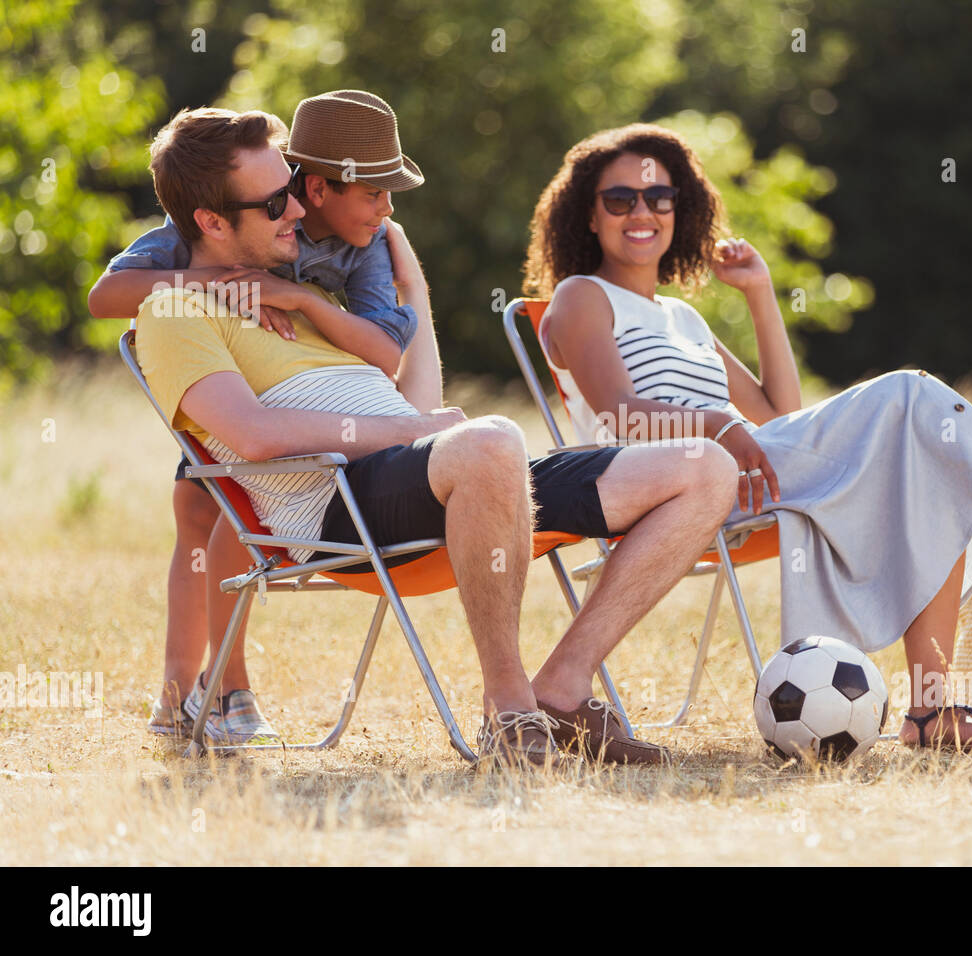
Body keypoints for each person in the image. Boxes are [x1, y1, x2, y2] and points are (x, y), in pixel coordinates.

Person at [523, 123, 972, 751]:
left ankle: (936, 708)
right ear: (588, 213)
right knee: (912, 397)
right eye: (619, 199)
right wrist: (717, 425)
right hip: (673, 486)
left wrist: (761, 297)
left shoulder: (683, 319)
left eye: (658, 196)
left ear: (681, 208)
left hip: (751, 469)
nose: (641, 212)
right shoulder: (582, 296)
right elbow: (619, 418)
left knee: (933, 456)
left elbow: (776, 416)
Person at [130, 108, 739, 765]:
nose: (299, 212)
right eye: (277, 200)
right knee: (491, 440)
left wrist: (413, 291)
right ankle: (509, 713)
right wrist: (418, 430)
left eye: (293, 190)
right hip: (332, 511)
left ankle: (562, 686)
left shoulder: (309, 297)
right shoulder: (173, 311)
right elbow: (249, 435)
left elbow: (418, 405)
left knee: (703, 467)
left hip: (436, 478)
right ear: (213, 222)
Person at [88, 92, 434, 741]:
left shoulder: (366, 246)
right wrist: (219, 285)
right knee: (200, 511)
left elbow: (386, 350)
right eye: (374, 191)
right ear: (316, 185)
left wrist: (298, 298)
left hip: (295, 383)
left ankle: (219, 689)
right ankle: (188, 692)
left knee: (224, 510)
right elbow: (108, 295)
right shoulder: (241, 209)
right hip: (229, 378)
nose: (388, 208)